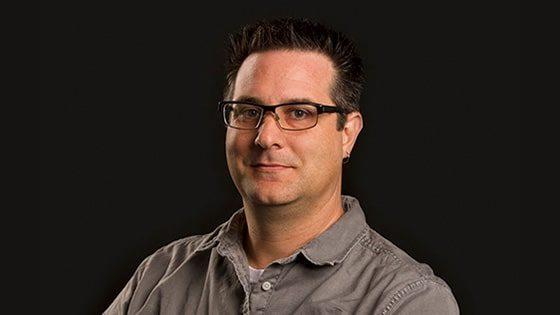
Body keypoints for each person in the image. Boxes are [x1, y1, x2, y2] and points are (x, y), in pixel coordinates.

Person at [104, 17, 459, 314]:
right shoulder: (160, 275)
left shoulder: (407, 300)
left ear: (347, 134)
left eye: (300, 113)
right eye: (249, 112)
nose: (265, 136)